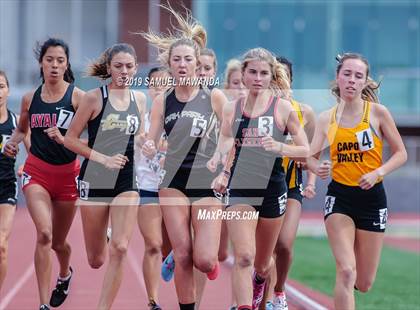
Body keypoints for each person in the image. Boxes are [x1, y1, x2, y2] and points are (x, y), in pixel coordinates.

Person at [141, 5, 228, 310]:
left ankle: (210, 263)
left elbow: (229, 136)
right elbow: (151, 138)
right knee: (183, 254)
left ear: (196, 63)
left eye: (187, 59)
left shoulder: (214, 97)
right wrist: (149, 146)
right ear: (169, 64)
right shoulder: (162, 101)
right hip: (173, 182)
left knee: (204, 259)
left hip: (206, 181)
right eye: (176, 60)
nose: (182, 64)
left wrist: (223, 167)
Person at [211, 47, 309, 310]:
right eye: (252, 72)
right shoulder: (232, 110)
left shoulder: (282, 109)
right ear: (243, 74)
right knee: (243, 256)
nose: (257, 78)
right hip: (241, 188)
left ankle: (261, 280)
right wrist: (221, 171)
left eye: (263, 73)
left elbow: (305, 149)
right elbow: (227, 144)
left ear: (271, 76)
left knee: (263, 264)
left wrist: (280, 148)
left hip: (273, 189)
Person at [307, 53, 407, 310]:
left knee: (363, 282)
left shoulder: (377, 114)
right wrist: (318, 168)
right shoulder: (325, 118)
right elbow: (309, 158)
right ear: (338, 78)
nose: (352, 80)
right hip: (340, 198)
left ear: (365, 82)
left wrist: (378, 173)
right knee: (346, 270)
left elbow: (401, 153)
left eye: (358, 76)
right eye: (347, 74)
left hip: (373, 199)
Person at [4, 38, 84, 310]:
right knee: (45, 235)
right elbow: (22, 130)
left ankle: (65, 274)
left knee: (59, 243)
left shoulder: (78, 98)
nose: (54, 65)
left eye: (60, 60)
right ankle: (42, 304)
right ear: (41, 63)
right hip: (36, 173)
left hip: (67, 177)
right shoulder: (30, 98)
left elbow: (91, 140)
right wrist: (13, 144)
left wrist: (66, 140)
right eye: (50, 60)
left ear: (67, 65)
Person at [64, 43, 145, 309]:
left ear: (136, 68)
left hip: (127, 178)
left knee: (120, 248)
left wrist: (149, 143)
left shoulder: (140, 99)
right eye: (118, 66)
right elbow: (71, 140)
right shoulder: (94, 98)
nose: (124, 71)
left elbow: (141, 137)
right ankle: (107, 234)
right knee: (96, 259)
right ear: (109, 67)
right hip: (95, 177)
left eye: (129, 66)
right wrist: (103, 158)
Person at [261, 56, 317, 310]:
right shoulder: (257, 108)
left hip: (292, 187)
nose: (277, 82)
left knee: (283, 244)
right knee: (261, 254)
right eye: (274, 77)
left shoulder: (303, 112)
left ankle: (280, 290)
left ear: (290, 81)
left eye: (282, 77)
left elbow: (313, 152)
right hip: (260, 188)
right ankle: (260, 302)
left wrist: (312, 180)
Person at [135, 67, 171, 310]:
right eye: (155, 84)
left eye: (164, 84)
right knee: (153, 244)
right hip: (147, 188)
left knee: (178, 248)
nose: (159, 88)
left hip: (175, 190)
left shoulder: (180, 118)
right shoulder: (140, 121)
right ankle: (153, 301)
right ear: (149, 88)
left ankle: (174, 258)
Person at [0, 70, 30, 293]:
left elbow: (33, 154)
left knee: (1, 246)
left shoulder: (16, 122)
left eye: (1, 86)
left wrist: (26, 166)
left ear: (8, 90)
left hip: (6, 187)